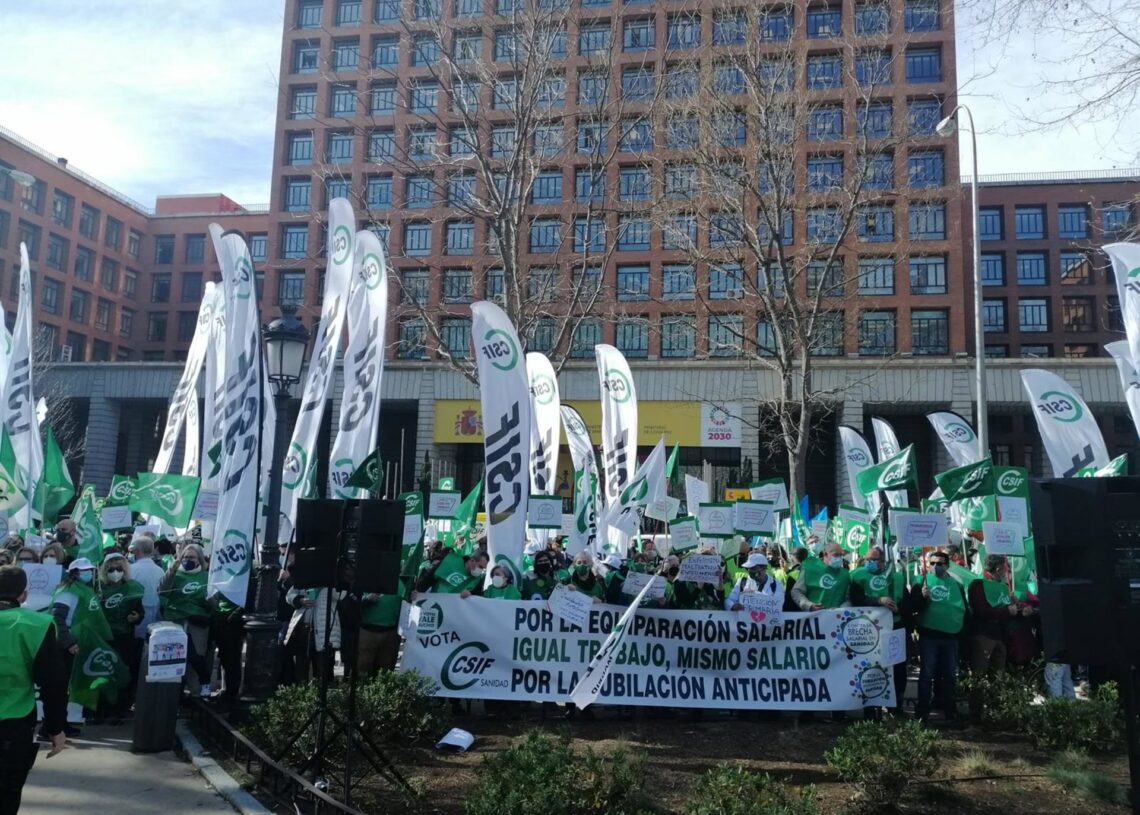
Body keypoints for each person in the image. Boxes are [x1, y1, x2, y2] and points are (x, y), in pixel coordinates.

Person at [0, 565, 68, 814]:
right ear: (23, 595)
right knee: (7, 794)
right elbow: (53, 681)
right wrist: (56, 728)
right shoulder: (37, 624)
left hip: (15, 721)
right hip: (13, 723)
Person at [911, 549, 967, 724]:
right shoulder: (921, 581)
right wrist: (921, 597)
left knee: (950, 675)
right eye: (932, 563)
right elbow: (912, 606)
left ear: (947, 565)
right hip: (929, 635)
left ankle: (950, 710)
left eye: (939, 564)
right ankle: (922, 712)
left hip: (950, 636)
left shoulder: (956, 584)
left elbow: (963, 608)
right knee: (927, 674)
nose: (935, 567)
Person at [850, 546, 908, 715]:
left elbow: (908, 602)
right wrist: (878, 600)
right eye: (867, 559)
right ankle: (870, 708)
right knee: (870, 668)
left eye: (874, 560)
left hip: (894, 628)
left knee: (897, 669)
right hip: (868, 632)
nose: (870, 563)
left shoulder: (896, 578)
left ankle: (895, 707)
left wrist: (900, 608)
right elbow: (856, 600)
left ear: (883, 562)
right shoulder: (857, 576)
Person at [966, 554, 1019, 720]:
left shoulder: (1004, 587)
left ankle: (997, 712)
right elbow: (982, 611)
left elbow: (1008, 608)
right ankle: (976, 713)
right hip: (983, 636)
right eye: (1006, 568)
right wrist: (1006, 611)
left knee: (998, 676)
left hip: (1000, 637)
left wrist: (1019, 607)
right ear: (998, 569)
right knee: (979, 675)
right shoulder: (977, 585)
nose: (1008, 571)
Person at [158, 542, 211, 695]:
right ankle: (178, 692)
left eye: (192, 557)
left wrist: (209, 599)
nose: (188, 559)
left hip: (196, 623)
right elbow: (163, 592)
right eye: (185, 557)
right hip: (176, 622)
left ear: (199, 559)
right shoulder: (176, 574)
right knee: (177, 658)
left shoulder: (206, 577)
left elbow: (214, 604)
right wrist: (171, 571)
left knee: (195, 657)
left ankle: (203, 684)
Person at [97, 552, 144, 719]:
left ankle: (121, 709)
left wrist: (136, 617)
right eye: (111, 568)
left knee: (123, 674)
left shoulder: (133, 587)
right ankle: (101, 710)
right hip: (104, 638)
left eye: (119, 568)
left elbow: (140, 611)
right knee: (103, 673)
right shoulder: (99, 589)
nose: (115, 572)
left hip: (125, 638)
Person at [357, 578, 409, 677]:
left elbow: (406, 603)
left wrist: (413, 597)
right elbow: (352, 600)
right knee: (362, 668)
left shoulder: (399, 583)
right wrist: (366, 599)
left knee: (386, 670)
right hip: (367, 631)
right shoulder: (365, 579)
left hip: (390, 633)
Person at [791, 543, 850, 611]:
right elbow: (797, 591)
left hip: (836, 618)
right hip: (813, 617)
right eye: (836, 555)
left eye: (841, 555)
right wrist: (808, 605)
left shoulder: (845, 574)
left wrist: (840, 609)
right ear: (825, 554)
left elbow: (848, 598)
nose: (839, 558)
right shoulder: (810, 568)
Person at [127, 535, 165, 636]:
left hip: (137, 617)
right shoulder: (160, 571)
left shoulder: (131, 570)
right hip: (156, 618)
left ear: (136, 551)